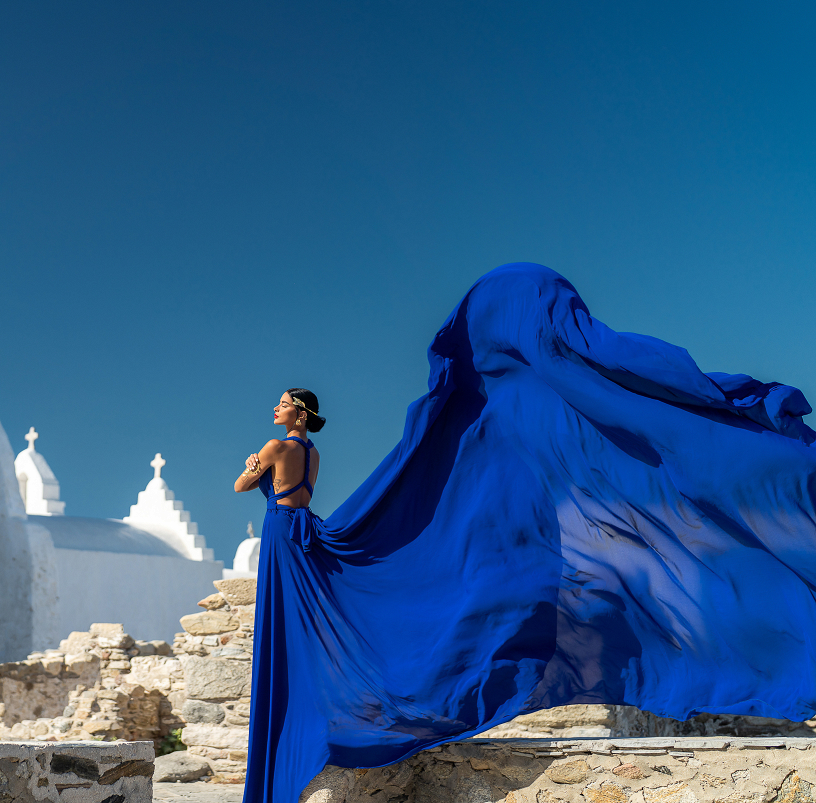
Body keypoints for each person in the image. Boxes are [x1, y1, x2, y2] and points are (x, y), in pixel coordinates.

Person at [239, 263, 816, 803]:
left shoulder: (473, 417)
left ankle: (320, 728)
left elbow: (258, 485)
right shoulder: (591, 395)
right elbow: (653, 383)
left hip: (300, 536)